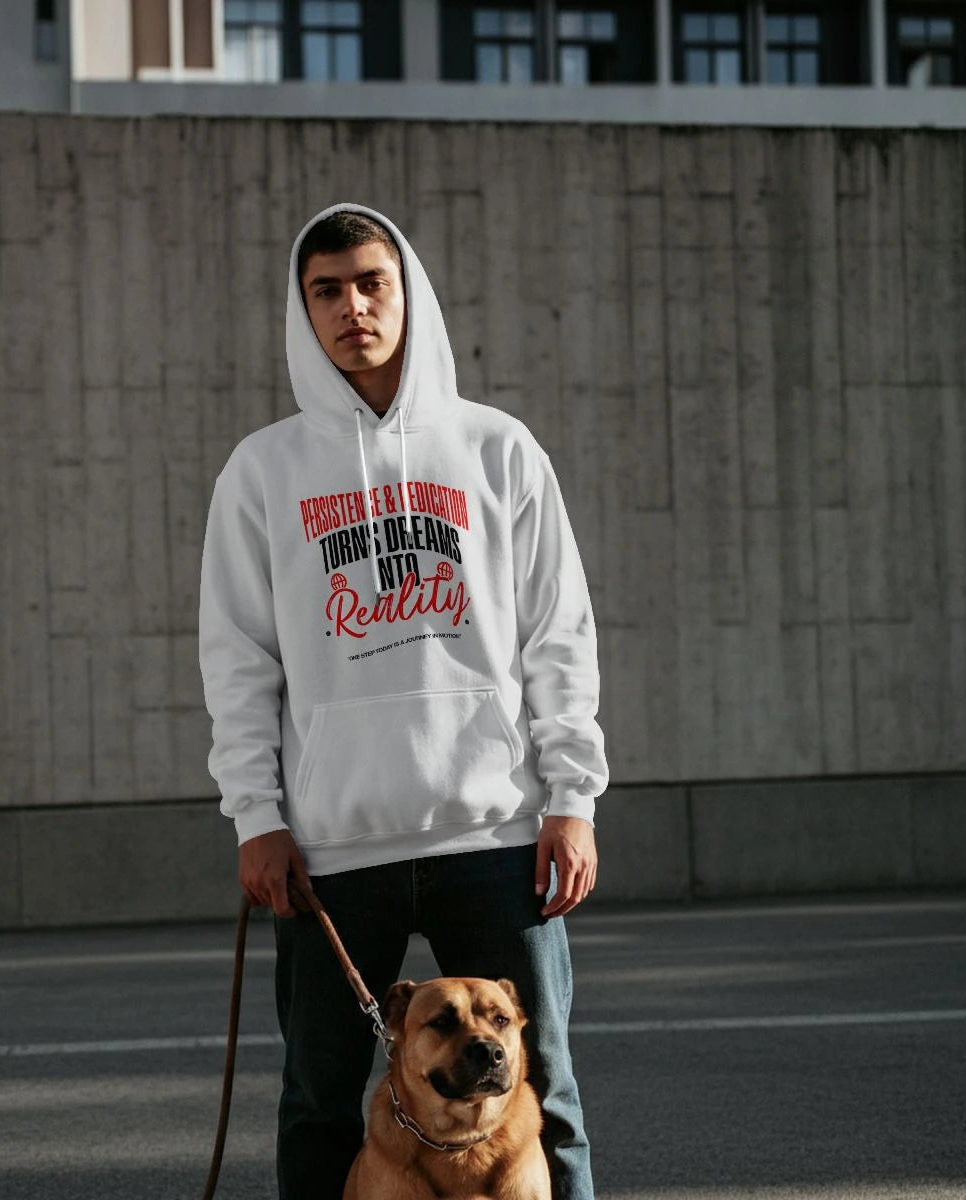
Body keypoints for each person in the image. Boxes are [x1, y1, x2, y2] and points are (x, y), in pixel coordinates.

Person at [199, 204, 608, 1200]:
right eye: (326, 291)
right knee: (319, 1103)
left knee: (543, 1098)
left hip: (497, 831)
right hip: (336, 851)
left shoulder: (497, 449)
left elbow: (558, 631)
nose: (352, 308)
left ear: (407, 290)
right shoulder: (264, 473)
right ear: (303, 312)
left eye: (371, 283)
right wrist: (258, 817)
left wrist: (572, 798)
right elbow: (239, 659)